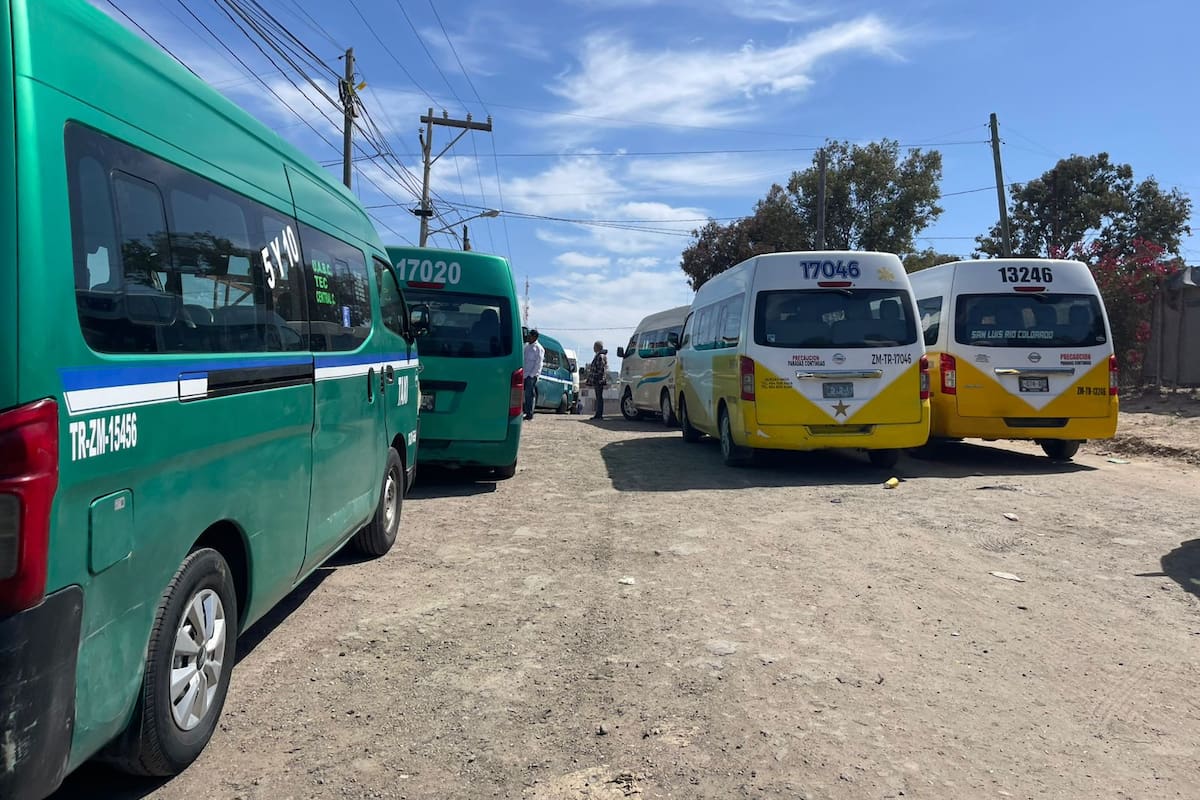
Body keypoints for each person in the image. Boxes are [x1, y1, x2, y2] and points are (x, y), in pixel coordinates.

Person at [522, 328, 544, 420]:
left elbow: (539, 364)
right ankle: (523, 411)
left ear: (535, 337)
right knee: (521, 394)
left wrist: (532, 375)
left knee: (529, 394)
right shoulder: (526, 346)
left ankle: (529, 414)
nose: (529, 337)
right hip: (523, 374)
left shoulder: (539, 348)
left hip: (531, 376)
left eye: (530, 336)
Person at [588, 340, 609, 420]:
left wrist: (597, 378)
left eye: (594, 346)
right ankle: (598, 414)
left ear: (597, 347)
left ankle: (599, 415)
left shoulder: (600, 356)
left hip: (599, 380)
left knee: (599, 397)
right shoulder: (599, 355)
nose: (593, 348)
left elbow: (601, 369)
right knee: (598, 397)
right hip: (598, 379)